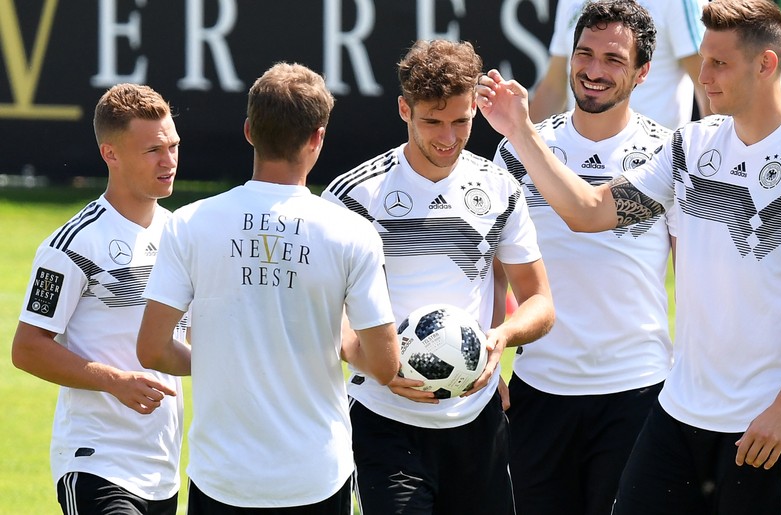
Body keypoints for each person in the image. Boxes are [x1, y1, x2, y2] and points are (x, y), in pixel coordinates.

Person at [475, 0, 781, 512]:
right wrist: (521, 131)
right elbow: (589, 211)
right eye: (702, 60)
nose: (702, 77)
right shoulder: (690, 148)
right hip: (678, 415)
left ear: (765, 64)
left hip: (766, 423)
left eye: (719, 64)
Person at [136, 62, 400, 513]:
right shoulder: (352, 233)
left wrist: (225, 363)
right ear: (318, 137)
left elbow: (153, 349)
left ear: (248, 131)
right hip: (316, 476)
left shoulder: (189, 224)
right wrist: (340, 336)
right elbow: (383, 364)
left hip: (221, 478)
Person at [322, 39, 554, 514]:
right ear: (404, 109)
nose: (448, 137)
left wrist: (499, 338)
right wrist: (370, 360)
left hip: (477, 421)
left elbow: (540, 303)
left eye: (462, 121)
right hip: (384, 421)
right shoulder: (354, 196)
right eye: (432, 121)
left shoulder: (499, 188)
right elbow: (319, 315)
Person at [492, 2, 673, 513]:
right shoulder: (514, 152)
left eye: (614, 59)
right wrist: (488, 368)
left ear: (642, 73)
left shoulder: (668, 154)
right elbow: (493, 269)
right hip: (538, 391)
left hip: (637, 392)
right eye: (585, 54)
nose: (594, 71)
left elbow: (696, 273)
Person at [11, 83, 185, 515]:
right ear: (111, 154)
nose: (169, 161)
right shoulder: (72, 244)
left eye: (174, 146)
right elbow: (27, 347)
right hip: (95, 463)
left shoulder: (183, 235)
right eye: (153, 151)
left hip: (164, 469)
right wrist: (115, 381)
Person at [530, 0, 712, 128]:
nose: (594, 74)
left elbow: (709, 83)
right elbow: (554, 87)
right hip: (577, 164)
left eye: (614, 59)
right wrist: (519, 147)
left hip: (657, 169)